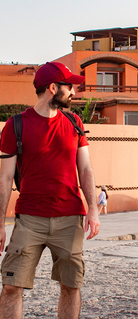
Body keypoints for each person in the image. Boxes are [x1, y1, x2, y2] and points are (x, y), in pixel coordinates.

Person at [0, 61, 100, 318]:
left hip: (69, 218)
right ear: (53, 88)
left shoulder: (75, 122)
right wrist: (0, 223)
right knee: (11, 286)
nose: (73, 93)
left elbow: (86, 170)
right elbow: (4, 177)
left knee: (71, 286)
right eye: (69, 87)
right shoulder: (15, 125)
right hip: (29, 220)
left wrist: (93, 210)